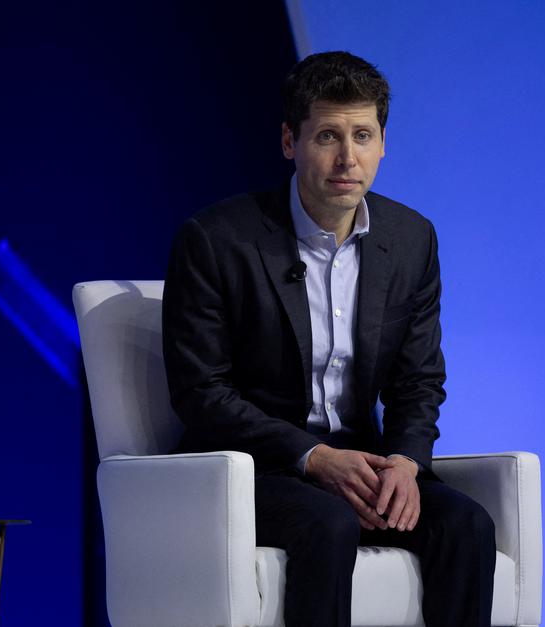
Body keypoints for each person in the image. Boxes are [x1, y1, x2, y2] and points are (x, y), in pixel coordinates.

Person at [162, 50, 496, 627]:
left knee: (466, 525)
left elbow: (418, 380)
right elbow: (201, 391)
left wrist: (405, 463)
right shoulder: (216, 240)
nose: (348, 158)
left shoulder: (411, 239)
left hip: (363, 463)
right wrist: (314, 457)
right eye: (327, 136)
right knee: (329, 522)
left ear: (383, 143)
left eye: (363, 136)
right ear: (289, 141)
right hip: (253, 470)